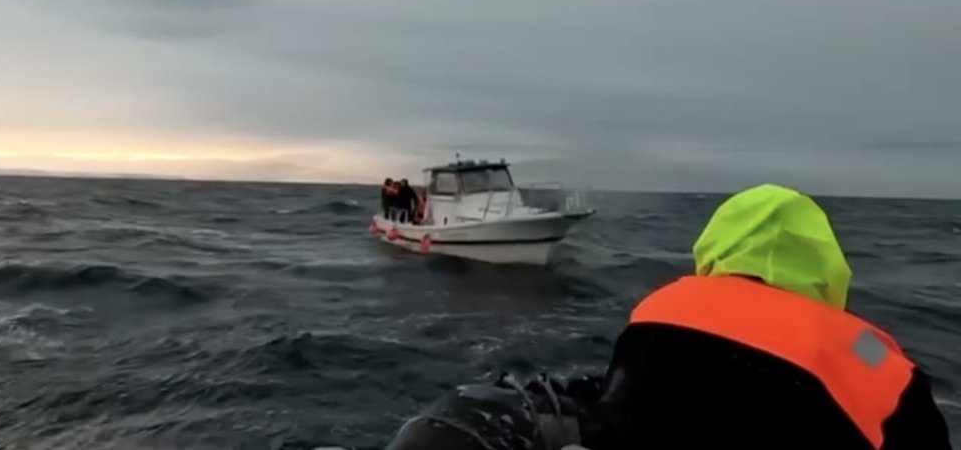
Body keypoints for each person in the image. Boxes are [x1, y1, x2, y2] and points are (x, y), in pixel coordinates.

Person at [385, 184, 953, 450]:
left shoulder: (664, 314)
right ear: (828, 266)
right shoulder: (875, 358)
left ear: (716, 249)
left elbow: (621, 410)